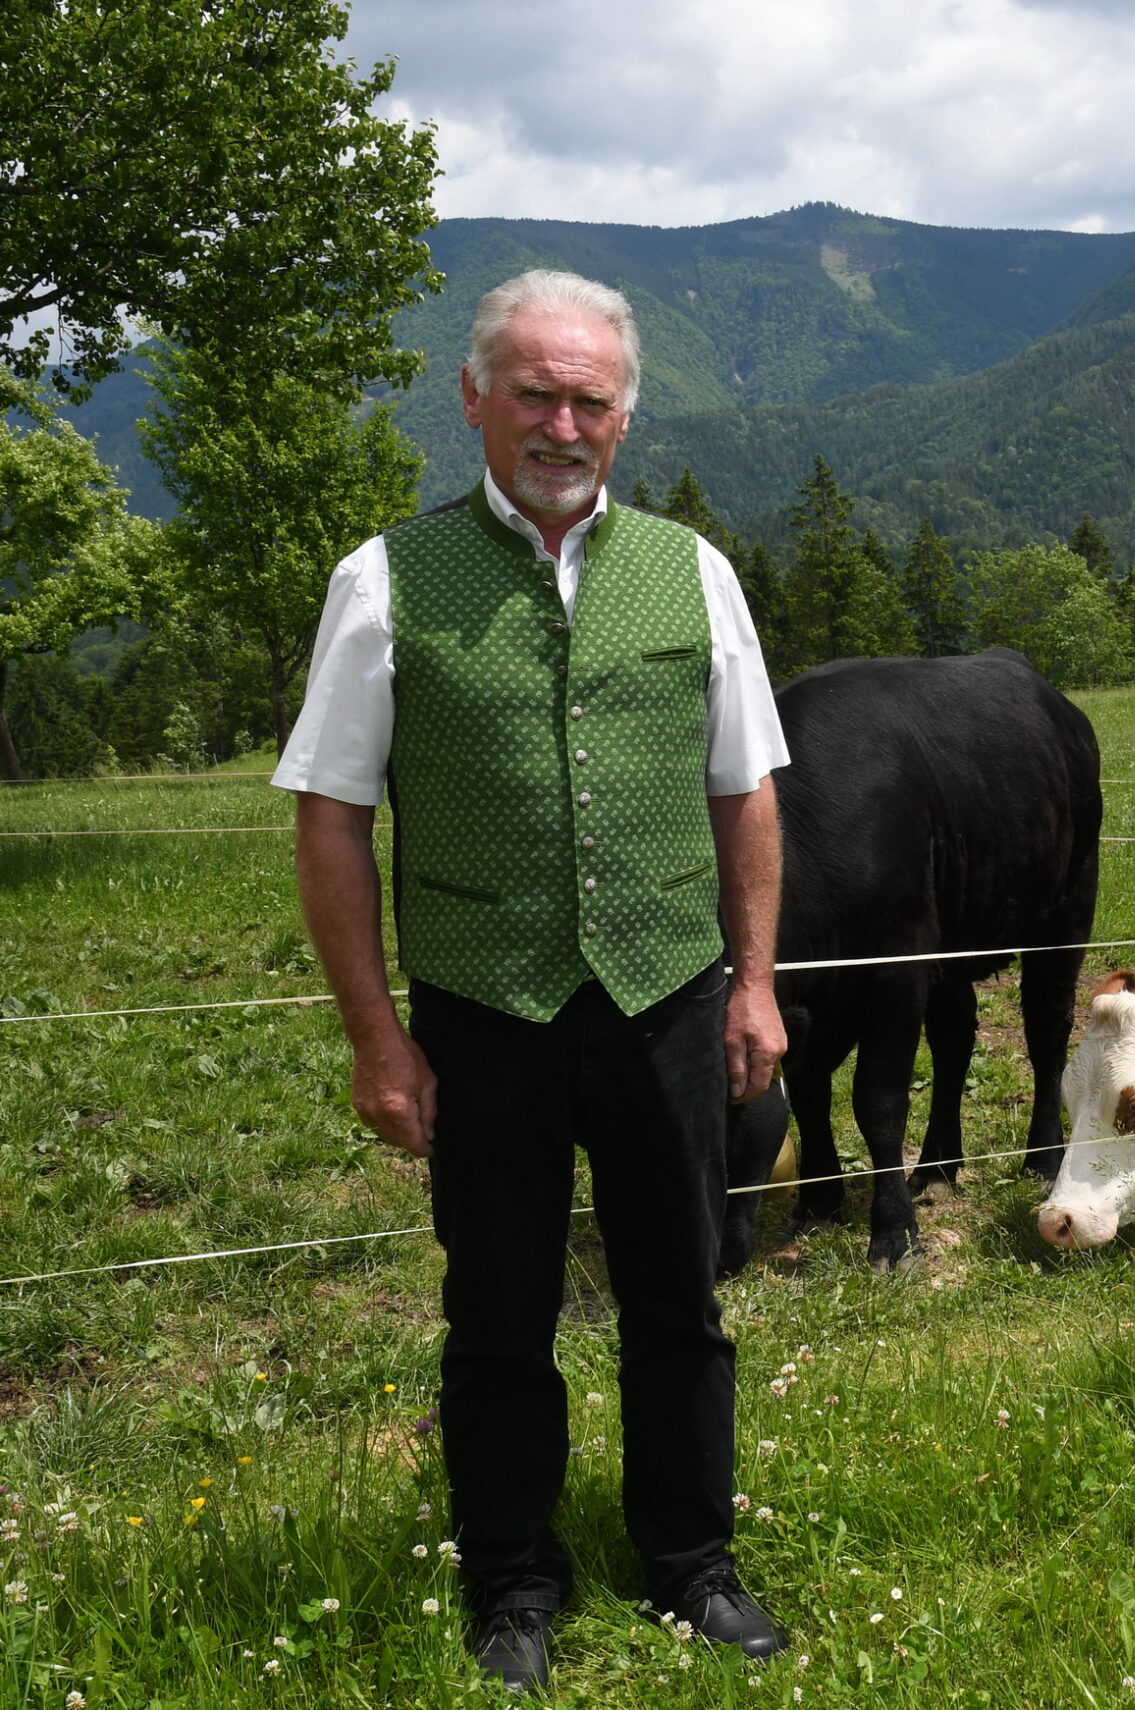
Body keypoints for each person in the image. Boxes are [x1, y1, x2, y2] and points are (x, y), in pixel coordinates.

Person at [277, 270, 793, 1691]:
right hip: (482, 1009)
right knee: (497, 1308)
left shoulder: (692, 570)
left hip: (665, 997)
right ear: (474, 400)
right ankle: (513, 1579)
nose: (562, 420)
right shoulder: (385, 578)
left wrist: (754, 984)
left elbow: (745, 786)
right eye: (535, 391)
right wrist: (378, 1037)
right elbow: (331, 811)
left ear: (624, 417)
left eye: (591, 398)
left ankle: (692, 1559)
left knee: (679, 1295)